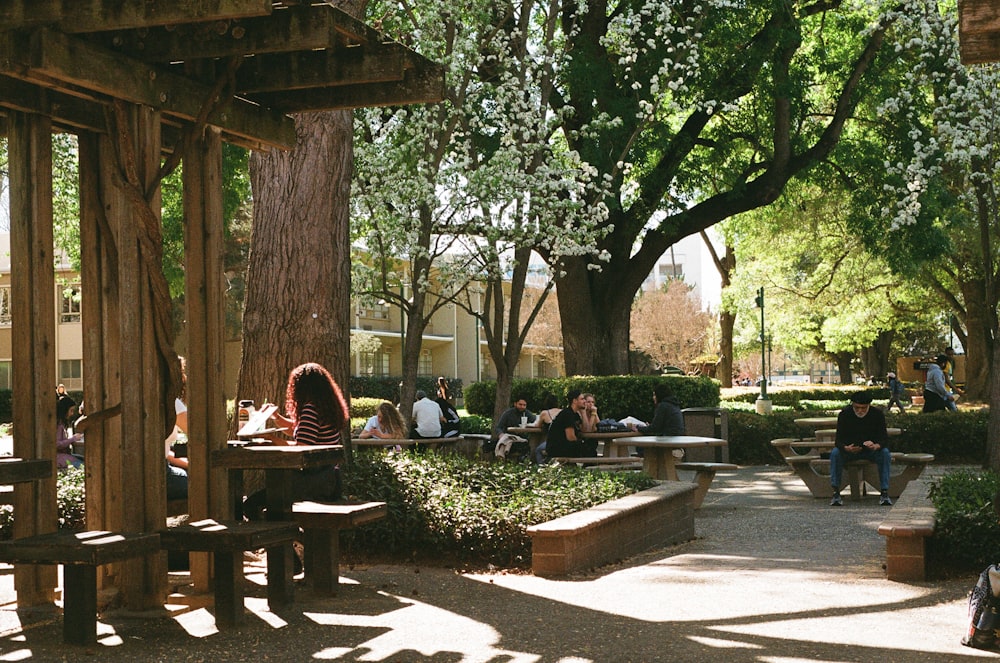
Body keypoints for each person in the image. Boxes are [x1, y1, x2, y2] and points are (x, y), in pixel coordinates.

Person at [245, 362, 348, 519]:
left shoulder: (310, 410)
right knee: (272, 505)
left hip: (312, 481)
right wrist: (277, 418)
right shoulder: (325, 407)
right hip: (329, 478)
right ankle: (289, 540)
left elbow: (301, 447)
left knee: (252, 505)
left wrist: (271, 439)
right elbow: (300, 430)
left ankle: (279, 540)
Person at [829, 391, 892, 507]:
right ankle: (836, 492)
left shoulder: (877, 414)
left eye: (863, 408)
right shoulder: (845, 414)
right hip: (849, 451)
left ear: (869, 406)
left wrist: (876, 445)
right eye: (857, 408)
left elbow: (884, 439)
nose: (860, 411)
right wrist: (846, 448)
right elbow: (838, 441)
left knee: (885, 454)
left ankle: (884, 492)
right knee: (835, 454)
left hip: (871, 451)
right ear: (852, 405)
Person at [544, 390, 596, 459]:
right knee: (589, 451)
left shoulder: (575, 414)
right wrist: (581, 443)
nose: (585, 401)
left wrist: (583, 412)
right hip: (558, 448)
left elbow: (586, 430)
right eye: (582, 399)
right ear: (574, 401)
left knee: (592, 443)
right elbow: (570, 437)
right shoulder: (567, 414)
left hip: (567, 445)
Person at [165, 356, 189, 500]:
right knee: (210, 488)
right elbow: (199, 435)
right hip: (162, 477)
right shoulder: (172, 402)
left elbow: (164, 451)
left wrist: (185, 463)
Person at [529, 393, 561, 464]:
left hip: (552, 441)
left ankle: (541, 466)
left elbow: (538, 425)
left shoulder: (545, 413)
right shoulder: (562, 412)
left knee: (538, 450)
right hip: (562, 440)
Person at [55, 393, 83, 470]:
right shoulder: (58, 425)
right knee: (82, 465)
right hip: (59, 457)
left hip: (63, 455)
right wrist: (72, 439)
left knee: (83, 459)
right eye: (71, 410)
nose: (72, 413)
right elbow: (57, 444)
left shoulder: (61, 423)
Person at [944, 347, 964, 411]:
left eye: (952, 354)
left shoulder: (951, 363)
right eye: (949, 355)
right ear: (945, 354)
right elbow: (946, 379)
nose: (951, 356)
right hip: (944, 390)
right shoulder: (945, 364)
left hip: (948, 389)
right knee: (954, 409)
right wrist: (956, 389)